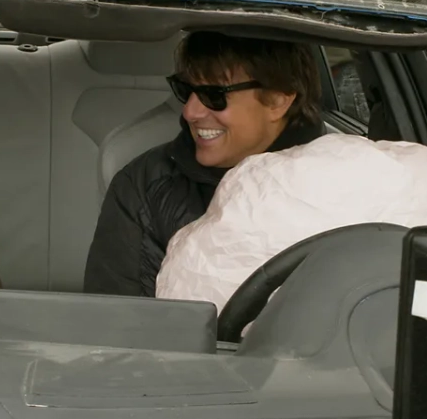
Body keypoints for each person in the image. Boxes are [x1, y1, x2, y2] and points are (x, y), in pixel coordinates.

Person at [84, 31, 324, 297]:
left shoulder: (348, 184)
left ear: (278, 101)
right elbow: (120, 322)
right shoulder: (143, 186)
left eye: (214, 95)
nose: (190, 112)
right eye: (186, 90)